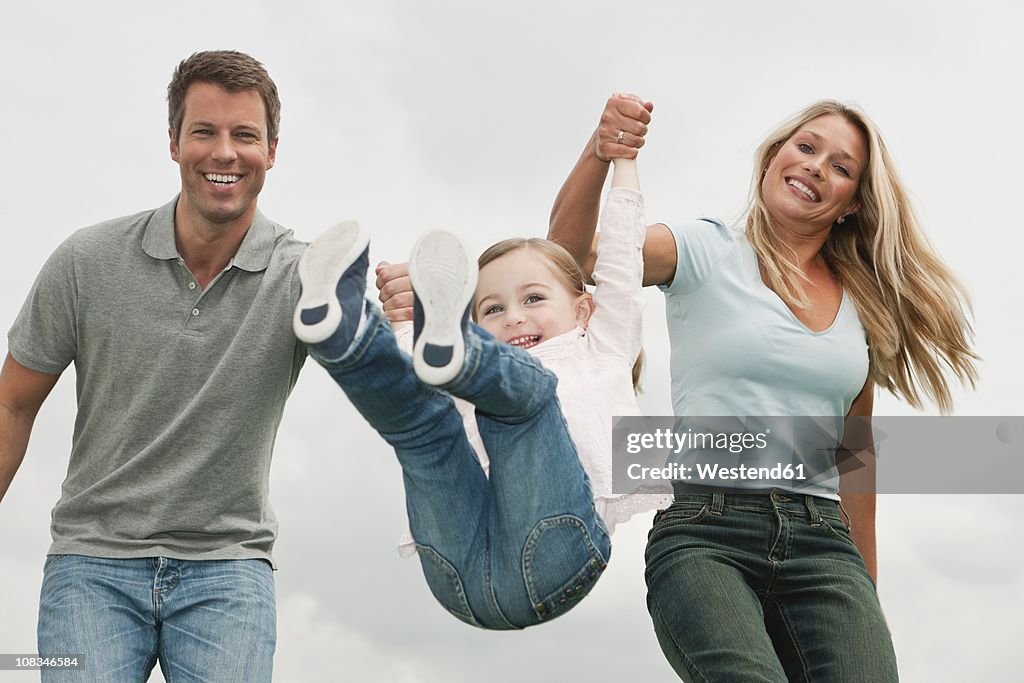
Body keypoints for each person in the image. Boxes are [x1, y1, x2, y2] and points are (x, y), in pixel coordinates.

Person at [548, 95, 978, 681]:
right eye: (806, 147)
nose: (816, 167)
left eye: (841, 167)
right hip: (706, 532)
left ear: (851, 205)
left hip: (823, 546)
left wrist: (864, 594)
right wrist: (602, 152)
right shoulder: (704, 248)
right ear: (775, 155)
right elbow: (570, 258)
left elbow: (855, 465)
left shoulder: (863, 309)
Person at [0, 51, 304, 682]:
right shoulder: (86, 261)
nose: (225, 152)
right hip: (92, 563)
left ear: (272, 150)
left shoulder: (305, 274)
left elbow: (393, 364)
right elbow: (11, 403)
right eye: (204, 131)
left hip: (230, 566)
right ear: (173, 143)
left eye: (245, 135)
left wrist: (406, 305)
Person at [294, 154, 667, 629]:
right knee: (423, 425)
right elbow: (413, 367)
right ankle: (343, 332)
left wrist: (626, 163)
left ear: (583, 310)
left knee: (527, 399)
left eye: (533, 298)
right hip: (458, 574)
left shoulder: (604, 345)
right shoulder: (455, 369)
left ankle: (448, 341)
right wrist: (404, 323)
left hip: (556, 554)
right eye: (491, 309)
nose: (513, 317)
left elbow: (622, 256)